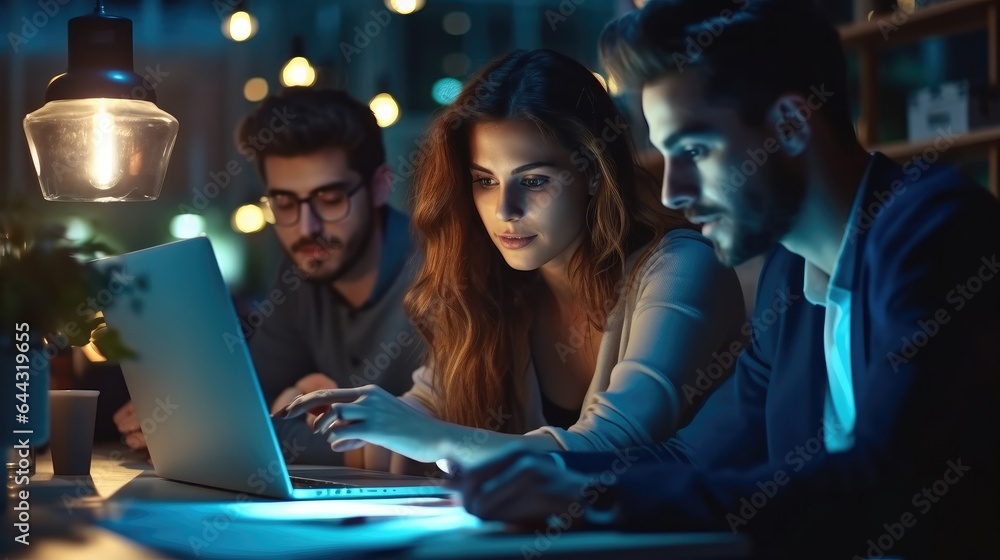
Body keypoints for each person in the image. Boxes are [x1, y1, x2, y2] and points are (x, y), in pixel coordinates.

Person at [450, 1, 1000, 557]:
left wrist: (593, 497)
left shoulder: (936, 231)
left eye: (695, 150)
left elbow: (884, 477)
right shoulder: (791, 272)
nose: (673, 192)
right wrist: (550, 475)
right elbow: (692, 456)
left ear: (788, 125)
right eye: (667, 154)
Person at [278, 49, 746, 473]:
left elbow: (613, 447)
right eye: (484, 180)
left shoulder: (682, 268)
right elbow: (429, 407)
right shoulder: (496, 285)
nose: (505, 210)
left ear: (594, 175)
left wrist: (433, 438)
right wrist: (359, 420)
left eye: (535, 181)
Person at [114, 88, 425, 464]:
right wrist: (178, 413)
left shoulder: (440, 273)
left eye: (329, 199)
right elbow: (250, 402)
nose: (306, 227)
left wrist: (212, 429)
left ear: (379, 186)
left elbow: (427, 446)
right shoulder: (301, 274)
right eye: (285, 203)